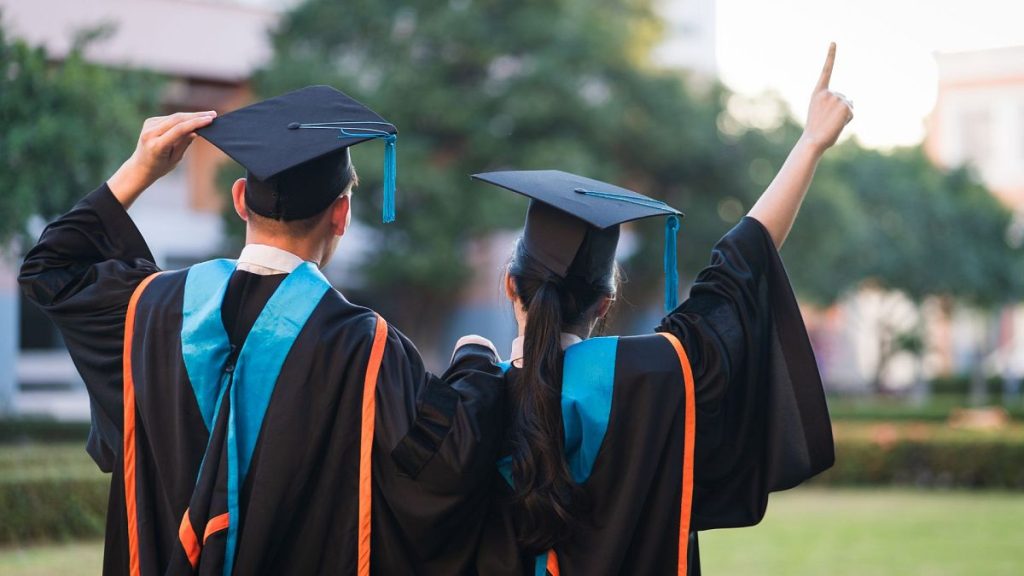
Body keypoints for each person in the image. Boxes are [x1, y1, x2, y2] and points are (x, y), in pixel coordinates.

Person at [19, 85, 505, 575]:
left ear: (238, 199)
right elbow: (451, 462)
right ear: (341, 216)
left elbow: (51, 270)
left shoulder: (150, 308)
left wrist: (139, 170)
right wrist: (476, 361)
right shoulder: (365, 347)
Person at [467, 44, 852, 575]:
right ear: (605, 303)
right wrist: (809, 145)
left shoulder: (469, 404)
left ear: (511, 286)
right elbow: (736, 272)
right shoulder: (656, 376)